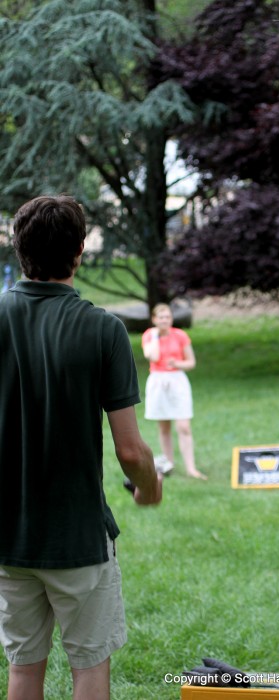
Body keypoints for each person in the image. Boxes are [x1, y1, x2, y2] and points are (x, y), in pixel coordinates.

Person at [0, 195, 162, 700]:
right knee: (89, 667)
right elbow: (131, 453)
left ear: (18, 246)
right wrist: (150, 487)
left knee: (24, 670)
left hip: (8, 535)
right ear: (80, 250)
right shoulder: (103, 329)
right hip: (78, 538)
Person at [142, 303, 207, 480]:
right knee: (164, 427)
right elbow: (153, 357)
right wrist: (155, 336)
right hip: (158, 381)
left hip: (177, 381)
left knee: (183, 426)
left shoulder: (180, 336)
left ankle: (191, 468)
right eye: (161, 317)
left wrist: (177, 364)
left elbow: (191, 362)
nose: (165, 320)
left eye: (168, 317)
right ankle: (168, 464)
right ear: (154, 319)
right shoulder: (149, 335)